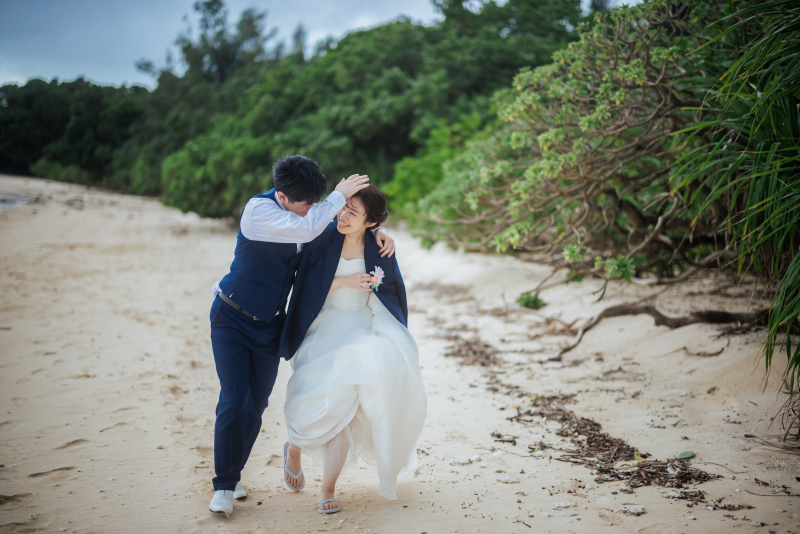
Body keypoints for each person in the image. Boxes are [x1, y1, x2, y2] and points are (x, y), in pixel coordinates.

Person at [208, 155, 396, 517]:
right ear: (282, 196)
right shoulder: (258, 212)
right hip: (230, 318)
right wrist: (338, 197)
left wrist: (377, 231)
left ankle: (234, 473)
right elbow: (311, 227)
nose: (313, 209)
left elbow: (341, 232)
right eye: (307, 203)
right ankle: (224, 485)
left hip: (269, 324)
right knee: (234, 399)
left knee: (256, 405)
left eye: (316, 201)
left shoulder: (307, 219)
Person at [279, 185, 427, 514]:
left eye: (353, 213)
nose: (343, 216)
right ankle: (295, 448)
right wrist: (347, 282)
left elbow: (392, 291)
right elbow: (304, 285)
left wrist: (383, 233)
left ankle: (327, 488)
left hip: (359, 329)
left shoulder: (379, 246)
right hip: (321, 329)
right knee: (311, 400)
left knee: (346, 405)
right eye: (344, 207)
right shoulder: (323, 237)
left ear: (370, 223)